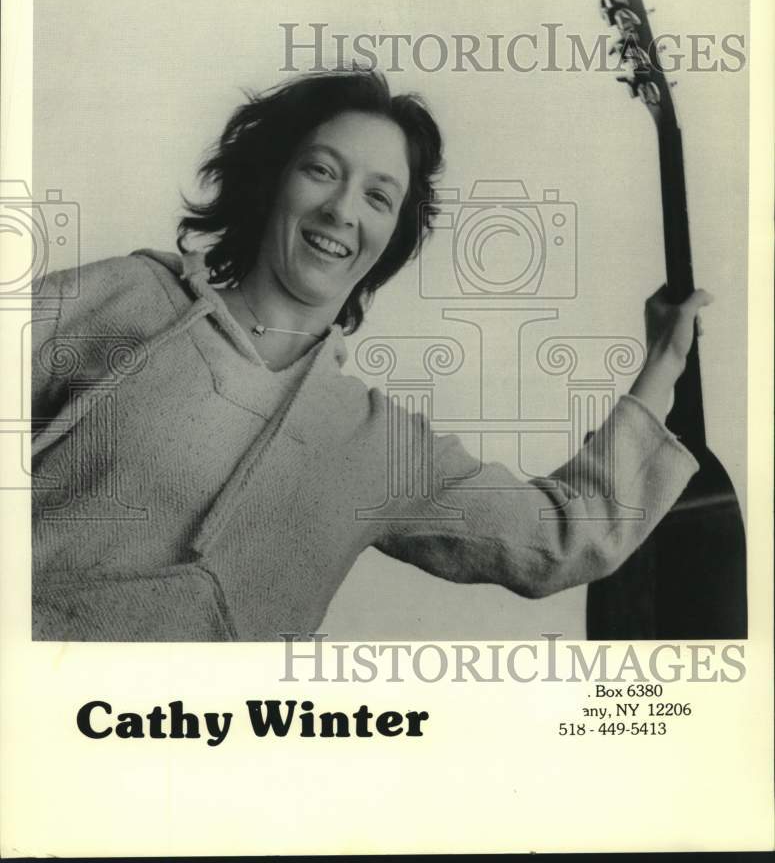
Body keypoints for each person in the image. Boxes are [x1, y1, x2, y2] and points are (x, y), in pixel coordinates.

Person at [30, 69, 707, 641]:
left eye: (378, 196)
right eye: (321, 171)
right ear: (273, 180)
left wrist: (663, 366)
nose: (341, 211)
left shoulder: (376, 447)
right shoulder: (130, 298)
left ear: (393, 235)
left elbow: (561, 536)